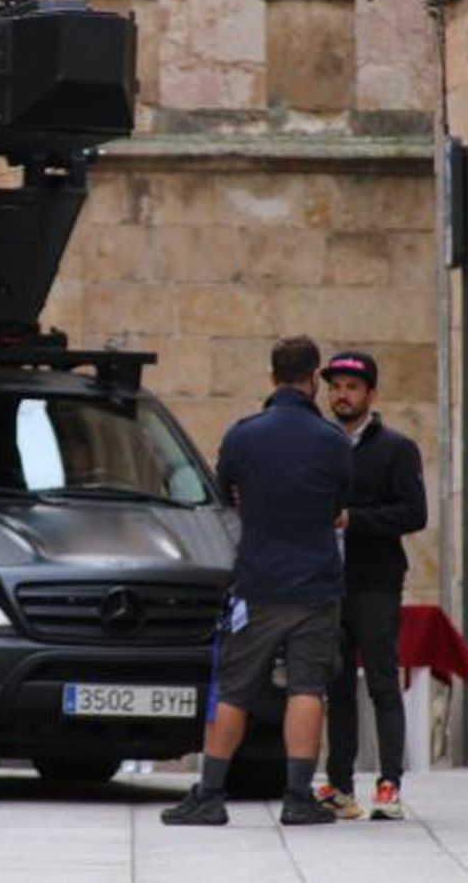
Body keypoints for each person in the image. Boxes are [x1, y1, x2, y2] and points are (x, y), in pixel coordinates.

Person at [161, 335, 351, 827]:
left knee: (234, 690)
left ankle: (209, 795)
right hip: (315, 583)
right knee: (307, 687)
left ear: (271, 378)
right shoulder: (333, 441)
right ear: (313, 380)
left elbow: (226, 495)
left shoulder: (243, 435)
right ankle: (296, 797)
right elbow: (337, 505)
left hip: (258, 581)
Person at [315, 351, 427, 821]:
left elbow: (413, 513)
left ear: (371, 395)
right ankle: (340, 786)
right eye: (336, 386)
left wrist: (354, 520)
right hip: (326, 582)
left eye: (352, 388)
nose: (342, 395)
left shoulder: (396, 449)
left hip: (376, 582)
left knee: (382, 682)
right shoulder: (318, 444)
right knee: (336, 686)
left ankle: (389, 785)